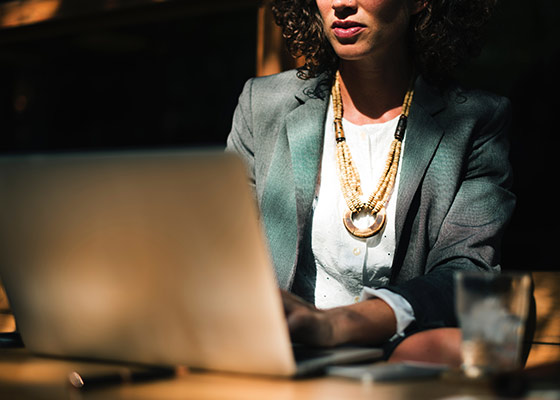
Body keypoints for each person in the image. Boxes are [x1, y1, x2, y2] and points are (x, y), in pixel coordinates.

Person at [226, 0, 514, 365]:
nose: (342, 3)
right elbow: (227, 250)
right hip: (282, 356)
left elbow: (467, 271)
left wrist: (339, 324)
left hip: (405, 357)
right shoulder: (263, 105)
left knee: (476, 342)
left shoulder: (475, 121)